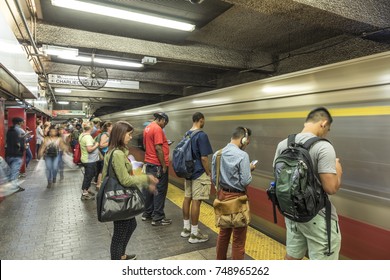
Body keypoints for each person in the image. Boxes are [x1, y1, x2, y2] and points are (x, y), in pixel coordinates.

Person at [273, 107, 343, 260]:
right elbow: (331, 188)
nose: (326, 133)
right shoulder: (323, 146)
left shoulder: (283, 144)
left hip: (292, 213)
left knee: (292, 257)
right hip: (317, 216)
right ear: (323, 123)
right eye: (328, 129)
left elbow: (278, 178)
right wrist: (338, 170)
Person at [101, 121, 158, 260]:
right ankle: (118, 258)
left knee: (131, 224)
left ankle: (121, 255)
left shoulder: (116, 152)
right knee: (119, 233)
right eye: (129, 134)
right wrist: (147, 178)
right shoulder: (118, 154)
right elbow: (125, 180)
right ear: (121, 134)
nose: (131, 137)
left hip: (121, 196)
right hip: (120, 198)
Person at [211, 127, 256, 260]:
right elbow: (245, 181)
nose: (247, 145)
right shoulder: (242, 155)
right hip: (238, 200)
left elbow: (214, 179)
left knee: (223, 234)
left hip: (223, 198)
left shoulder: (217, 154)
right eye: (247, 142)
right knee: (238, 239)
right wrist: (249, 169)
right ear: (243, 139)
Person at [181, 112, 213, 243]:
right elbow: (204, 158)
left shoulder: (187, 134)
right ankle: (194, 234)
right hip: (199, 172)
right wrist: (208, 172)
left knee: (187, 198)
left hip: (188, 172)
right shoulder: (201, 135)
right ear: (201, 120)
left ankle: (186, 229)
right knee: (196, 201)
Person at [141, 112, 172, 226]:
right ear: (162, 120)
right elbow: (158, 148)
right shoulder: (157, 129)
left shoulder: (147, 128)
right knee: (159, 191)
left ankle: (147, 213)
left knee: (150, 189)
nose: (164, 126)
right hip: (157, 165)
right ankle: (158, 217)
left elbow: (145, 146)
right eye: (165, 123)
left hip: (149, 163)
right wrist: (163, 165)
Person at [79, 121, 100, 200]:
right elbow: (89, 149)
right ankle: (85, 192)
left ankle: (86, 189)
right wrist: (97, 144)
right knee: (88, 176)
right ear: (91, 128)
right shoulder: (88, 137)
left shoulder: (82, 135)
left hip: (85, 159)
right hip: (89, 160)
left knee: (89, 175)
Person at [5, 117, 26, 193]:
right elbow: (18, 142)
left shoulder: (9, 130)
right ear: (19, 122)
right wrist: (22, 147)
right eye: (22, 122)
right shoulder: (19, 130)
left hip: (8, 154)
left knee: (10, 171)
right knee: (14, 172)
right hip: (16, 154)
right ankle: (13, 188)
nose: (23, 123)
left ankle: (12, 186)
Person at [95, 121, 112, 190]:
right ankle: (99, 185)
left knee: (103, 169)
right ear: (108, 127)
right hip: (104, 153)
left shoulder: (107, 134)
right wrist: (111, 143)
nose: (112, 127)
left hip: (105, 153)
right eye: (111, 126)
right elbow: (101, 145)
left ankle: (100, 184)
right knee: (102, 170)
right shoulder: (105, 134)